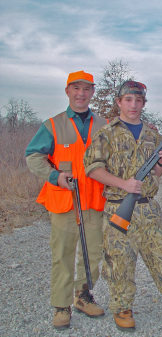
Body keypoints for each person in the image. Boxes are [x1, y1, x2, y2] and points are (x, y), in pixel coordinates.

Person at [83, 80, 162, 332]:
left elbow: (156, 172)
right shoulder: (106, 133)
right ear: (119, 102)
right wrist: (123, 184)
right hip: (117, 208)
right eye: (128, 100)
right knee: (119, 262)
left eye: (138, 101)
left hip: (147, 209)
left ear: (144, 103)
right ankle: (122, 308)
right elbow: (92, 168)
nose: (133, 105)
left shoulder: (153, 134)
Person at [26, 70, 107, 329]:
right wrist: (54, 176)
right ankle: (62, 305)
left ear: (92, 92)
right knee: (62, 253)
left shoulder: (104, 125)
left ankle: (83, 296)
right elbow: (33, 156)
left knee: (92, 252)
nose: (81, 94)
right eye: (76, 88)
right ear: (67, 91)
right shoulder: (52, 124)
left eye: (86, 89)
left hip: (94, 200)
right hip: (63, 200)